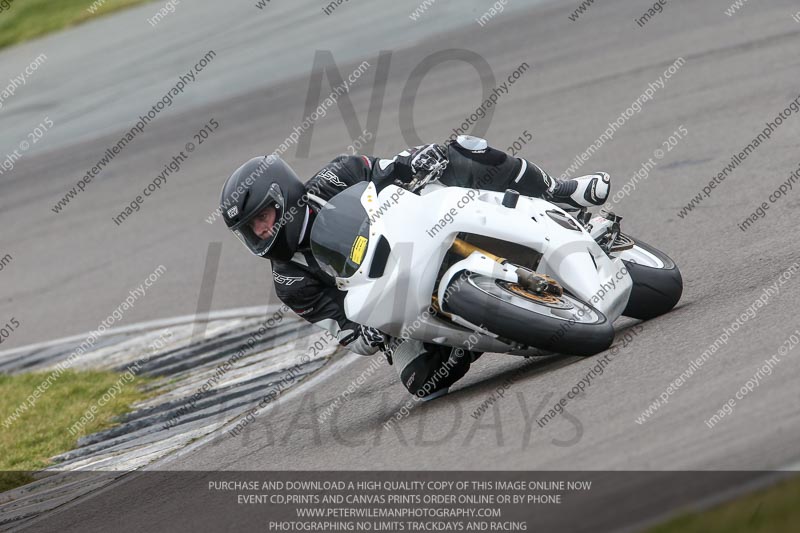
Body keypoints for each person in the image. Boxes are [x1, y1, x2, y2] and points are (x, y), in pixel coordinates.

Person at [220, 136, 610, 400]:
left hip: (418, 228)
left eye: (263, 216)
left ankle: (562, 193)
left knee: (464, 149)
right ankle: (488, 327)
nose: (262, 231)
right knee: (423, 384)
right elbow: (343, 329)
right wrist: (367, 334)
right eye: (250, 229)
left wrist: (417, 159)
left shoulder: (335, 176)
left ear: (282, 194)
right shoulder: (289, 280)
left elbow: (392, 168)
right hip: (394, 295)